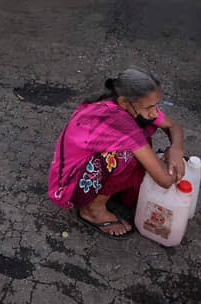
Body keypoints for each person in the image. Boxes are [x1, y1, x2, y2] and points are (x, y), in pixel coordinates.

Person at [48, 67, 186, 238]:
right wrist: (172, 167)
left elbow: (173, 126)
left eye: (156, 105)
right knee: (127, 154)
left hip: (88, 167)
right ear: (123, 102)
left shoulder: (130, 104)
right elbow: (165, 180)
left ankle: (108, 192)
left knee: (139, 147)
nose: (153, 112)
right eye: (149, 107)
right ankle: (93, 210)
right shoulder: (118, 121)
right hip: (73, 183)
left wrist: (175, 149)